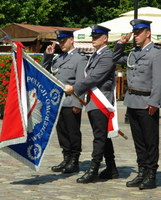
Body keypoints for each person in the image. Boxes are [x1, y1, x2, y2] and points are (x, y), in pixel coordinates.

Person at [112, 19, 161, 190]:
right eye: (134, 33)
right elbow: (114, 58)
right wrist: (120, 44)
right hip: (132, 102)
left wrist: (154, 102)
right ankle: (142, 171)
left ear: (147, 33)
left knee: (150, 140)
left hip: (147, 103)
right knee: (139, 141)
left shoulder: (157, 53)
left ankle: (151, 174)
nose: (135, 36)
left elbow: (160, 80)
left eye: (138, 33)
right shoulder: (133, 53)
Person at [64, 25, 119, 183]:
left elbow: (94, 78)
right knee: (103, 134)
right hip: (94, 97)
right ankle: (111, 167)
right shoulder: (95, 55)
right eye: (93, 37)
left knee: (99, 136)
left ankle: (94, 169)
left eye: (96, 37)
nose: (93, 39)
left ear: (105, 39)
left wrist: (75, 88)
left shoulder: (108, 55)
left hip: (102, 98)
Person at [41, 30, 88, 173]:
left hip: (71, 101)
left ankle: (74, 160)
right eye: (59, 41)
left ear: (71, 40)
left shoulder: (80, 59)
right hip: (57, 102)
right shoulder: (57, 58)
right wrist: (48, 56)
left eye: (64, 41)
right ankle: (66, 157)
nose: (61, 44)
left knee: (72, 132)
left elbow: (81, 83)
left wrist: (78, 103)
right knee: (61, 131)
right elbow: (45, 73)